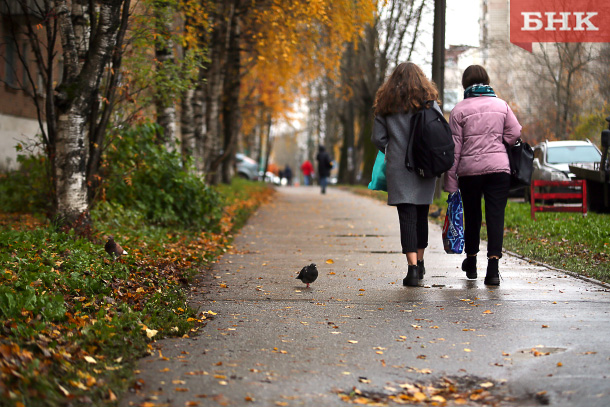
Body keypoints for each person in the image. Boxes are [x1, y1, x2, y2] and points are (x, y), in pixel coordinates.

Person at [443, 65, 522, 286]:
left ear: (464, 84)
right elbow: (515, 132)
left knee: (473, 215)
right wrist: (499, 141)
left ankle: (471, 261)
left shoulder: (458, 110)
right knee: (496, 216)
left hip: (470, 172)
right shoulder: (502, 106)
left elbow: (454, 149)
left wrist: (450, 183)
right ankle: (493, 270)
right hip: (499, 170)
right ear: (486, 81)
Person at [371, 62, 440, 287]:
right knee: (422, 216)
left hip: (399, 168)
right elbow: (440, 130)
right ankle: (420, 263)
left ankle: (411, 269)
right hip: (426, 167)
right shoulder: (429, 104)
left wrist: (393, 148)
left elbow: (378, 138)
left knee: (407, 218)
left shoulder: (386, 105)